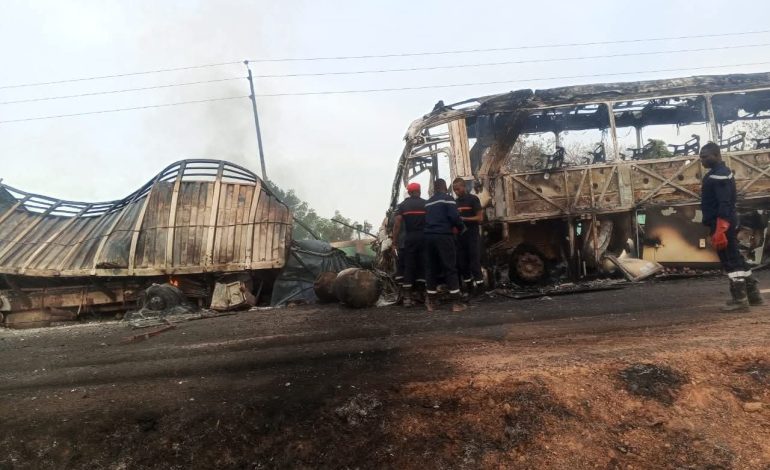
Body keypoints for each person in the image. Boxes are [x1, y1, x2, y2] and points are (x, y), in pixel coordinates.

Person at [699, 142, 764, 311]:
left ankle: (740, 300)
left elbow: (724, 202)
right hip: (723, 221)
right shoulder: (717, 173)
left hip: (722, 222)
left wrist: (721, 227)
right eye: (701, 157)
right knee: (735, 256)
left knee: (730, 259)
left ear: (717, 155)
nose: (702, 160)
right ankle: (753, 295)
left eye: (705, 157)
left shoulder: (719, 176)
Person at [424, 178, 466, 312]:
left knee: (431, 269)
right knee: (450, 267)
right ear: (445, 187)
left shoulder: (428, 202)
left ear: (434, 188)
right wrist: (461, 228)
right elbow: (454, 217)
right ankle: (457, 304)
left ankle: (431, 303)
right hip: (443, 236)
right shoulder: (448, 199)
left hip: (429, 237)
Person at [392, 182, 427, 307]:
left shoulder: (403, 206)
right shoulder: (425, 204)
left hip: (410, 237)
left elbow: (397, 224)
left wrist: (394, 242)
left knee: (409, 265)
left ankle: (407, 297)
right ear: (419, 191)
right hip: (424, 237)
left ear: (409, 192)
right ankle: (421, 294)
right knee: (422, 264)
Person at [452, 177, 484, 294]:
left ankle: (481, 288)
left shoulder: (473, 199)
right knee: (462, 263)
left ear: (464, 187)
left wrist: (464, 219)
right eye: (454, 190)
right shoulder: (454, 203)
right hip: (460, 237)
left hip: (472, 235)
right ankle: (469, 288)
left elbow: (480, 218)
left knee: (474, 261)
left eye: (458, 189)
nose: (456, 192)